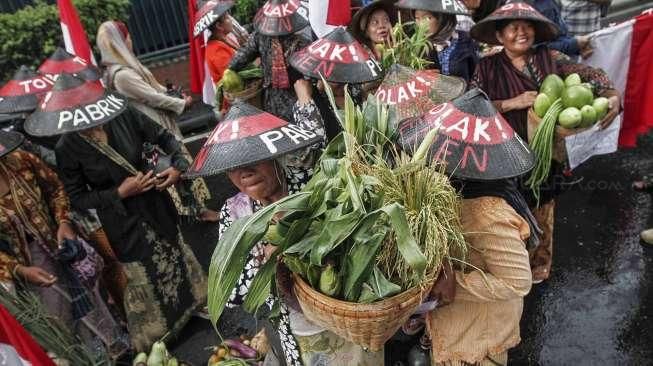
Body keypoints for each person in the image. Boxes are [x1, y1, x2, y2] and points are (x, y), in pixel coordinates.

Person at [209, 81, 383, 365]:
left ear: (276, 155)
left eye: (254, 158)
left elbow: (356, 240)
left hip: (350, 314)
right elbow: (230, 293)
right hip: (296, 330)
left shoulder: (312, 185)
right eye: (233, 166)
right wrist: (267, 262)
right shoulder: (235, 213)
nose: (245, 172)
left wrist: (302, 246)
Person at [43, 77, 207, 351]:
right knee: (143, 273)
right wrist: (118, 193)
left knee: (175, 253)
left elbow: (165, 137)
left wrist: (177, 167)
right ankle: (158, 336)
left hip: (155, 202)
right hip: (122, 220)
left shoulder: (123, 114)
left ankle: (194, 308)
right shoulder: (67, 147)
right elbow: (77, 197)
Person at [470, 1, 621, 282]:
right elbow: (474, 104)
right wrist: (511, 103)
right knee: (510, 214)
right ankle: (511, 266)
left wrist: (613, 94)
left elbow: (590, 75)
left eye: (527, 27)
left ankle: (539, 264)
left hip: (545, 156)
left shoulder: (549, 58)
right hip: (506, 155)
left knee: (543, 210)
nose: (521, 33)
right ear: (500, 36)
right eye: (513, 28)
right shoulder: (487, 67)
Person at [397, 89, 536, 366]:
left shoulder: (488, 214)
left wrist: (451, 282)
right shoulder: (446, 194)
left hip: (477, 337)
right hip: (452, 321)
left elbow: (517, 281)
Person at [0, 130, 128, 359]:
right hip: (28, 264)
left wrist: (63, 221)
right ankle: (83, 359)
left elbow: (56, 188)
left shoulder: (20, 160)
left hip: (60, 242)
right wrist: (19, 270)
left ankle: (116, 351)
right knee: (57, 313)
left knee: (92, 295)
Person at [96, 20, 219, 222]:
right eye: (126, 37)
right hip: (153, 129)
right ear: (118, 42)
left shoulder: (124, 69)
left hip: (156, 125)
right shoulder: (121, 75)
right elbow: (153, 97)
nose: (130, 40)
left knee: (177, 165)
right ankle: (197, 212)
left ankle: (195, 210)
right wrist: (181, 104)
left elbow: (157, 90)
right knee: (174, 166)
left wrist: (176, 97)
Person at [227, 0, 311, 123]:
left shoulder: (260, 36)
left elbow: (238, 61)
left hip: (271, 101)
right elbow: (313, 73)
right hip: (299, 97)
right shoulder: (303, 42)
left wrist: (230, 73)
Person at [398, 0, 478, 81]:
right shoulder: (418, 47)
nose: (422, 25)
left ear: (442, 18)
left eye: (428, 18)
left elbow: (476, 75)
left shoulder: (464, 40)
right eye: (417, 18)